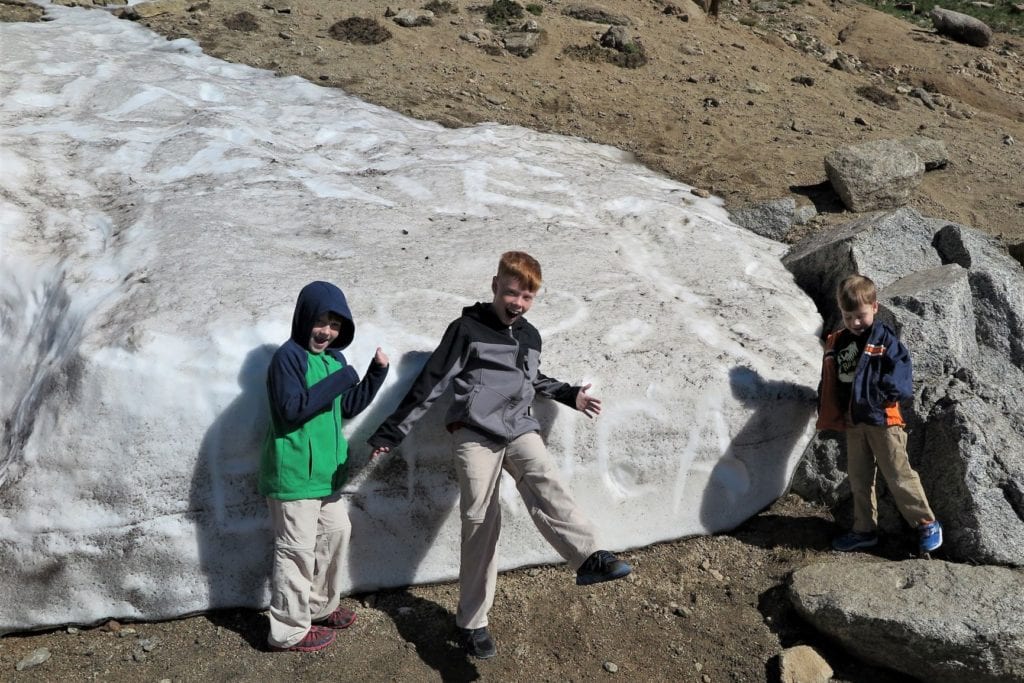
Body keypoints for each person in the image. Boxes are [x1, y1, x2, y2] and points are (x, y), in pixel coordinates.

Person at [368, 251, 632, 660]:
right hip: (475, 433)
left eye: (527, 298)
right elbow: (432, 382)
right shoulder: (466, 329)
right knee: (479, 521)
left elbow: (533, 379)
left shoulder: (529, 335)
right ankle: (473, 623)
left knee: (547, 481)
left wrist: (569, 395)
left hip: (518, 428)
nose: (518, 304)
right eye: (511, 293)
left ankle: (589, 557)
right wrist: (391, 431)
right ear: (495, 286)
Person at [259, 281, 389, 652]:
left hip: (324, 476)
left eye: (335, 325)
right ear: (304, 318)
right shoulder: (288, 358)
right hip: (293, 475)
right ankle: (287, 630)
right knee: (295, 551)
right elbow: (291, 410)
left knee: (336, 533)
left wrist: (374, 375)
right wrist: (342, 379)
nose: (326, 332)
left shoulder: (335, 360)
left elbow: (345, 406)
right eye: (321, 321)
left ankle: (317, 607)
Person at [816, 274, 942, 555]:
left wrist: (887, 393)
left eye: (860, 315)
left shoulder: (886, 341)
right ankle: (864, 531)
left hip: (883, 420)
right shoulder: (839, 342)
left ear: (874, 307)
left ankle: (926, 523)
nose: (855, 323)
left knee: (898, 473)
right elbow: (833, 378)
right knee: (859, 478)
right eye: (848, 317)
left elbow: (901, 370)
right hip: (854, 422)